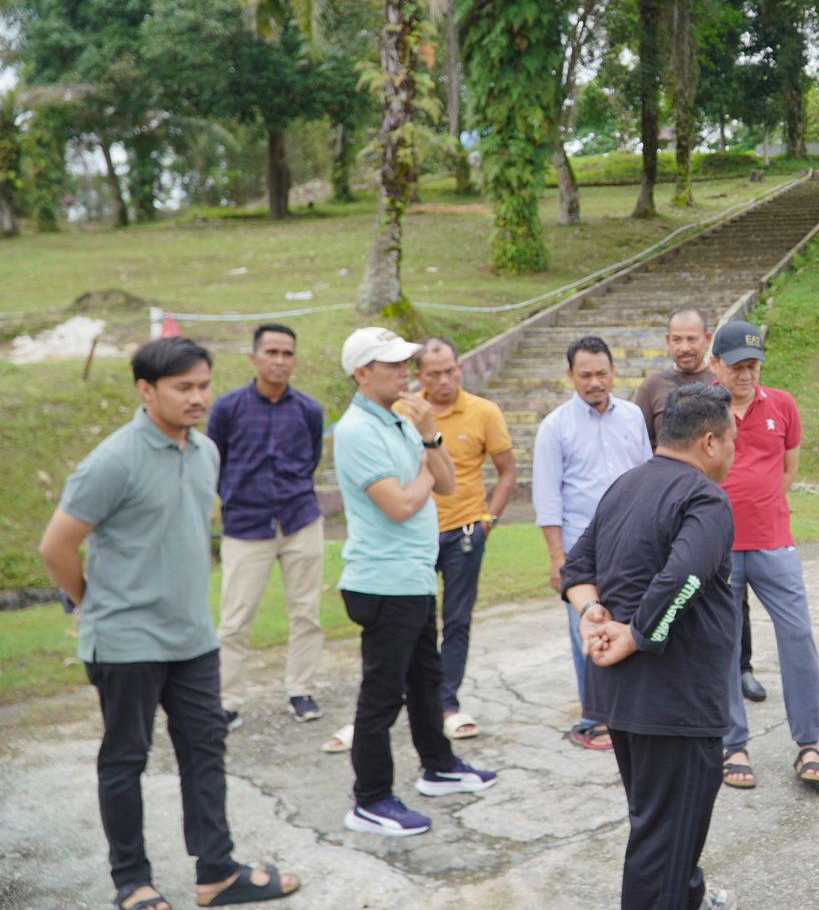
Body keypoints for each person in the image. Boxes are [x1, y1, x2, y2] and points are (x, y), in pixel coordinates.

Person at [37, 337, 301, 910]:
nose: (198, 397)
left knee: (205, 751)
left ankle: (217, 873)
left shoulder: (206, 451)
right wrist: (90, 603)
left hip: (193, 639)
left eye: (204, 385)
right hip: (126, 642)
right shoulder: (112, 460)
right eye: (184, 387)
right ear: (145, 390)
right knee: (126, 760)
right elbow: (56, 547)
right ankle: (133, 883)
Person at [561, 383, 741, 910]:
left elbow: (576, 570)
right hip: (675, 704)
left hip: (625, 703)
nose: (733, 451)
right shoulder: (704, 497)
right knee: (662, 841)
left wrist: (591, 610)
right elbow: (683, 577)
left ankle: (690, 897)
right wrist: (637, 635)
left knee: (660, 825)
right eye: (731, 440)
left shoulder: (626, 485)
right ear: (709, 441)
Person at [333, 327, 496, 838]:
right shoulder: (357, 430)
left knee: (426, 681)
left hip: (412, 577)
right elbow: (403, 505)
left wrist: (428, 437)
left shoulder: (402, 420)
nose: (406, 372)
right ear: (362, 374)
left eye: (407, 363)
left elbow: (446, 484)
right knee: (382, 695)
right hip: (383, 581)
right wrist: (426, 468)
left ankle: (439, 766)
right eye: (393, 365)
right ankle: (371, 798)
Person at [708, 319, 819, 790]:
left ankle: (808, 742)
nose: (746, 374)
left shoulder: (782, 406)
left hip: (774, 542)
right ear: (715, 365)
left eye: (753, 364)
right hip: (717, 549)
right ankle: (733, 745)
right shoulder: (702, 410)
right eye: (737, 365)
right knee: (723, 645)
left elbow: (787, 470)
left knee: (798, 637)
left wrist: (763, 510)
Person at [636, 307, 766, 704]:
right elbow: (644, 443)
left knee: (726, 593)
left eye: (692, 338)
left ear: (707, 341)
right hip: (670, 503)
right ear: (667, 342)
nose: (684, 346)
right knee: (676, 579)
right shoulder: (654, 387)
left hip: (713, 503)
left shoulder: (720, 385)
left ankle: (739, 667)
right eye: (677, 338)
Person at [534, 334, 653, 750]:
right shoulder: (554, 427)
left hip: (633, 545)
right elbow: (548, 499)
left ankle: (633, 710)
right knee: (587, 626)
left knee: (633, 622)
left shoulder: (633, 416)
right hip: (581, 552)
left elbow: (646, 475)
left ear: (613, 371)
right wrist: (557, 560)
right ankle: (595, 718)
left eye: (601, 373)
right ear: (570, 375)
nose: (594, 382)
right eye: (584, 375)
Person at [208, 322, 327, 731]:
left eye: (287, 353)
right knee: (235, 619)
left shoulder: (308, 410)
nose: (280, 361)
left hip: (300, 521)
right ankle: (227, 700)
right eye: (272, 352)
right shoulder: (228, 408)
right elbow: (215, 461)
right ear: (254, 357)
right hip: (245, 525)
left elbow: (309, 460)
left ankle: (301, 690)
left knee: (306, 613)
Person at [415, 337, 516, 741]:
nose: (443, 380)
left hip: (465, 532)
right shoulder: (407, 412)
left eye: (449, 371)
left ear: (460, 369)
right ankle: (417, 695)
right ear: (419, 376)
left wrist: (489, 518)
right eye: (433, 373)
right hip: (417, 534)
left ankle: (447, 701)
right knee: (415, 620)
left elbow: (506, 471)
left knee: (457, 620)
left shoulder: (483, 411)